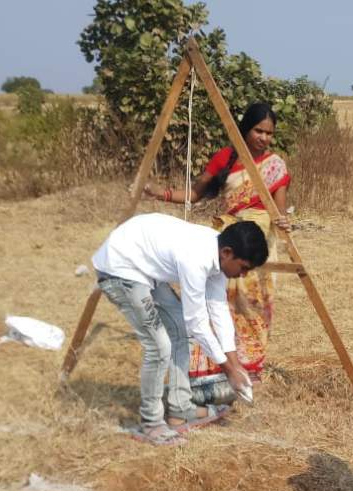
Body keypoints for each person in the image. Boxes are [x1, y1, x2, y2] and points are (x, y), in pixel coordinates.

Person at [142, 102, 290, 404]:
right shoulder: (225, 158)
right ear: (244, 129)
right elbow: (195, 194)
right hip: (229, 245)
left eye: (269, 133)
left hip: (257, 247)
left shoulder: (275, 165)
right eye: (258, 131)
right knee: (216, 305)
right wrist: (162, 193)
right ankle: (213, 369)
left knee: (252, 308)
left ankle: (250, 369)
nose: (264, 138)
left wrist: (285, 220)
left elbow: (278, 211)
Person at [91, 213, 268, 445]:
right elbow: (197, 321)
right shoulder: (196, 258)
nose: (243, 275)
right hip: (120, 267)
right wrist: (228, 370)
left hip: (144, 268)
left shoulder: (219, 254)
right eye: (243, 268)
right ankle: (151, 424)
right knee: (159, 346)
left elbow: (218, 309)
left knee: (180, 329)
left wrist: (236, 365)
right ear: (227, 253)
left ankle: (180, 408)